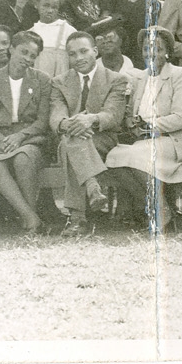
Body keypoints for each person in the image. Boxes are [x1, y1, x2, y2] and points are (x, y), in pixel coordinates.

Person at [100, 27, 182, 232]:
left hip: (172, 140)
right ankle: (160, 209)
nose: (151, 54)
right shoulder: (137, 78)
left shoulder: (180, 75)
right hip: (142, 142)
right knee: (114, 158)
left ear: (167, 52)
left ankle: (159, 212)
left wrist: (149, 125)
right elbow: (129, 113)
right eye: (146, 49)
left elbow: (181, 117)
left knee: (134, 156)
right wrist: (131, 122)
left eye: (157, 49)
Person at [0, 30, 57, 235]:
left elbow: (42, 121)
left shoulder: (42, 80)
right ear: (11, 49)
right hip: (1, 141)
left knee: (23, 158)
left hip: (32, 140)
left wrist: (20, 137)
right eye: (23, 52)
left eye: (32, 55)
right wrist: (1, 140)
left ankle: (29, 220)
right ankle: (31, 218)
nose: (27, 59)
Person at [52, 30, 130, 236]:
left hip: (103, 139)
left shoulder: (116, 79)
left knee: (71, 143)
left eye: (83, 51)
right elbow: (57, 114)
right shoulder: (59, 82)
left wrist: (91, 119)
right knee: (72, 141)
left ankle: (77, 219)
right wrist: (67, 123)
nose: (78, 58)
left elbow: (113, 115)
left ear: (95, 51)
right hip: (71, 136)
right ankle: (93, 188)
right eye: (72, 54)